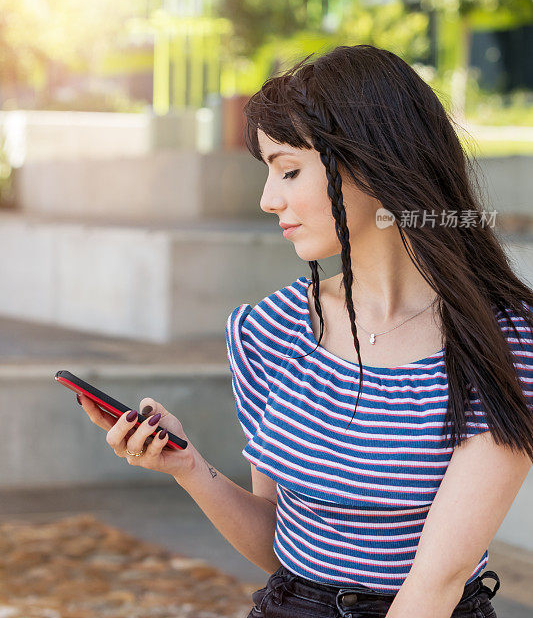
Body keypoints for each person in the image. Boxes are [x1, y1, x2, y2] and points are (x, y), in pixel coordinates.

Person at [78, 45, 533, 618]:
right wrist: (186, 466)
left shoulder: (501, 342)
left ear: (372, 163)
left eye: (290, 170)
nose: (270, 200)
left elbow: (434, 586)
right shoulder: (265, 331)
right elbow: (281, 550)